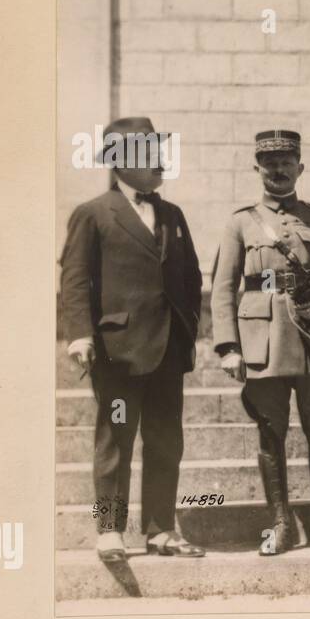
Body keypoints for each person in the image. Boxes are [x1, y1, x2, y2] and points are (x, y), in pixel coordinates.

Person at [59, 116, 205, 563]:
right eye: (149, 154)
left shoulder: (172, 215)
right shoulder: (93, 213)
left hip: (167, 351)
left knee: (166, 441)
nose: (160, 161)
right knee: (116, 440)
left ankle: (161, 531)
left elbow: (191, 276)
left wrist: (188, 327)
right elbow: (75, 281)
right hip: (118, 353)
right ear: (120, 162)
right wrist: (79, 335)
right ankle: (109, 531)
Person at [211, 129, 310, 557]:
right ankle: (280, 524)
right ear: (257, 169)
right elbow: (223, 288)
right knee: (269, 429)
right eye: (269, 164)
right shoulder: (241, 222)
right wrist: (228, 347)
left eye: (286, 163)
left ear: (300, 167)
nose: (278, 170)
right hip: (262, 341)